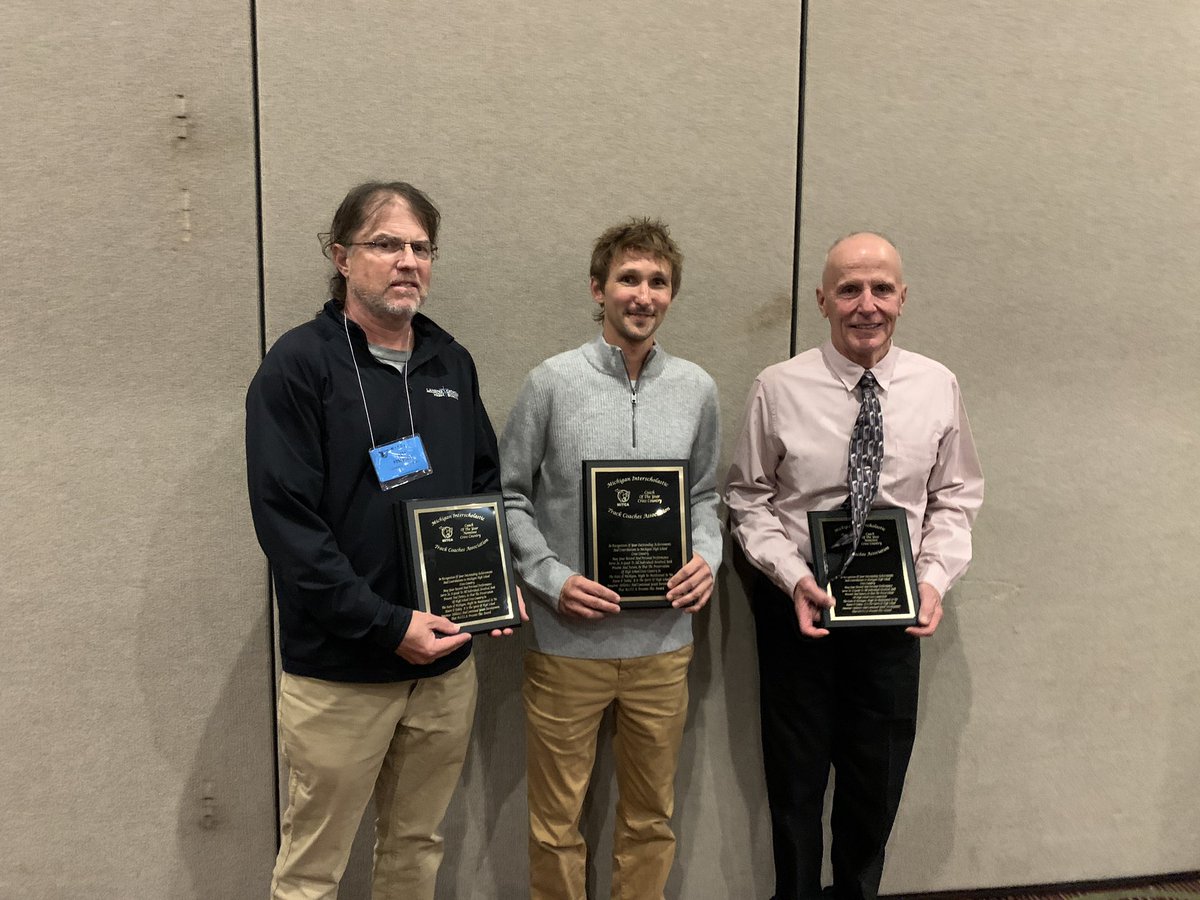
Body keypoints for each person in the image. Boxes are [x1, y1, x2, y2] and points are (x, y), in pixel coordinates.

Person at [246, 181, 520, 900]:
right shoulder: (299, 366)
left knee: (416, 849)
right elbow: (289, 526)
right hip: (340, 673)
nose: (407, 261)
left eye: (420, 246)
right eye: (386, 243)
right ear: (341, 257)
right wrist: (386, 624)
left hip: (444, 670)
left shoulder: (450, 365)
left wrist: (490, 581)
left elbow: (483, 485)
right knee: (312, 868)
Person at [724, 232, 984, 900]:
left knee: (876, 785)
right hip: (800, 615)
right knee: (795, 786)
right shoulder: (777, 388)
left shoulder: (937, 384)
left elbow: (956, 497)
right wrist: (792, 577)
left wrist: (932, 582)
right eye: (848, 289)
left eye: (880, 289)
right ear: (822, 300)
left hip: (896, 622)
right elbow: (748, 499)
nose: (865, 305)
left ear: (902, 297)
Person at [499, 218, 722, 900]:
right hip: (569, 646)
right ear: (598, 290)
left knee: (651, 818)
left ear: (671, 295)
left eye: (658, 282)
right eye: (629, 278)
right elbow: (508, 498)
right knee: (555, 824)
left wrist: (707, 556)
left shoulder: (697, 389)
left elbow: (706, 495)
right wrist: (552, 580)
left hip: (663, 646)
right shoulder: (549, 384)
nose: (643, 294)